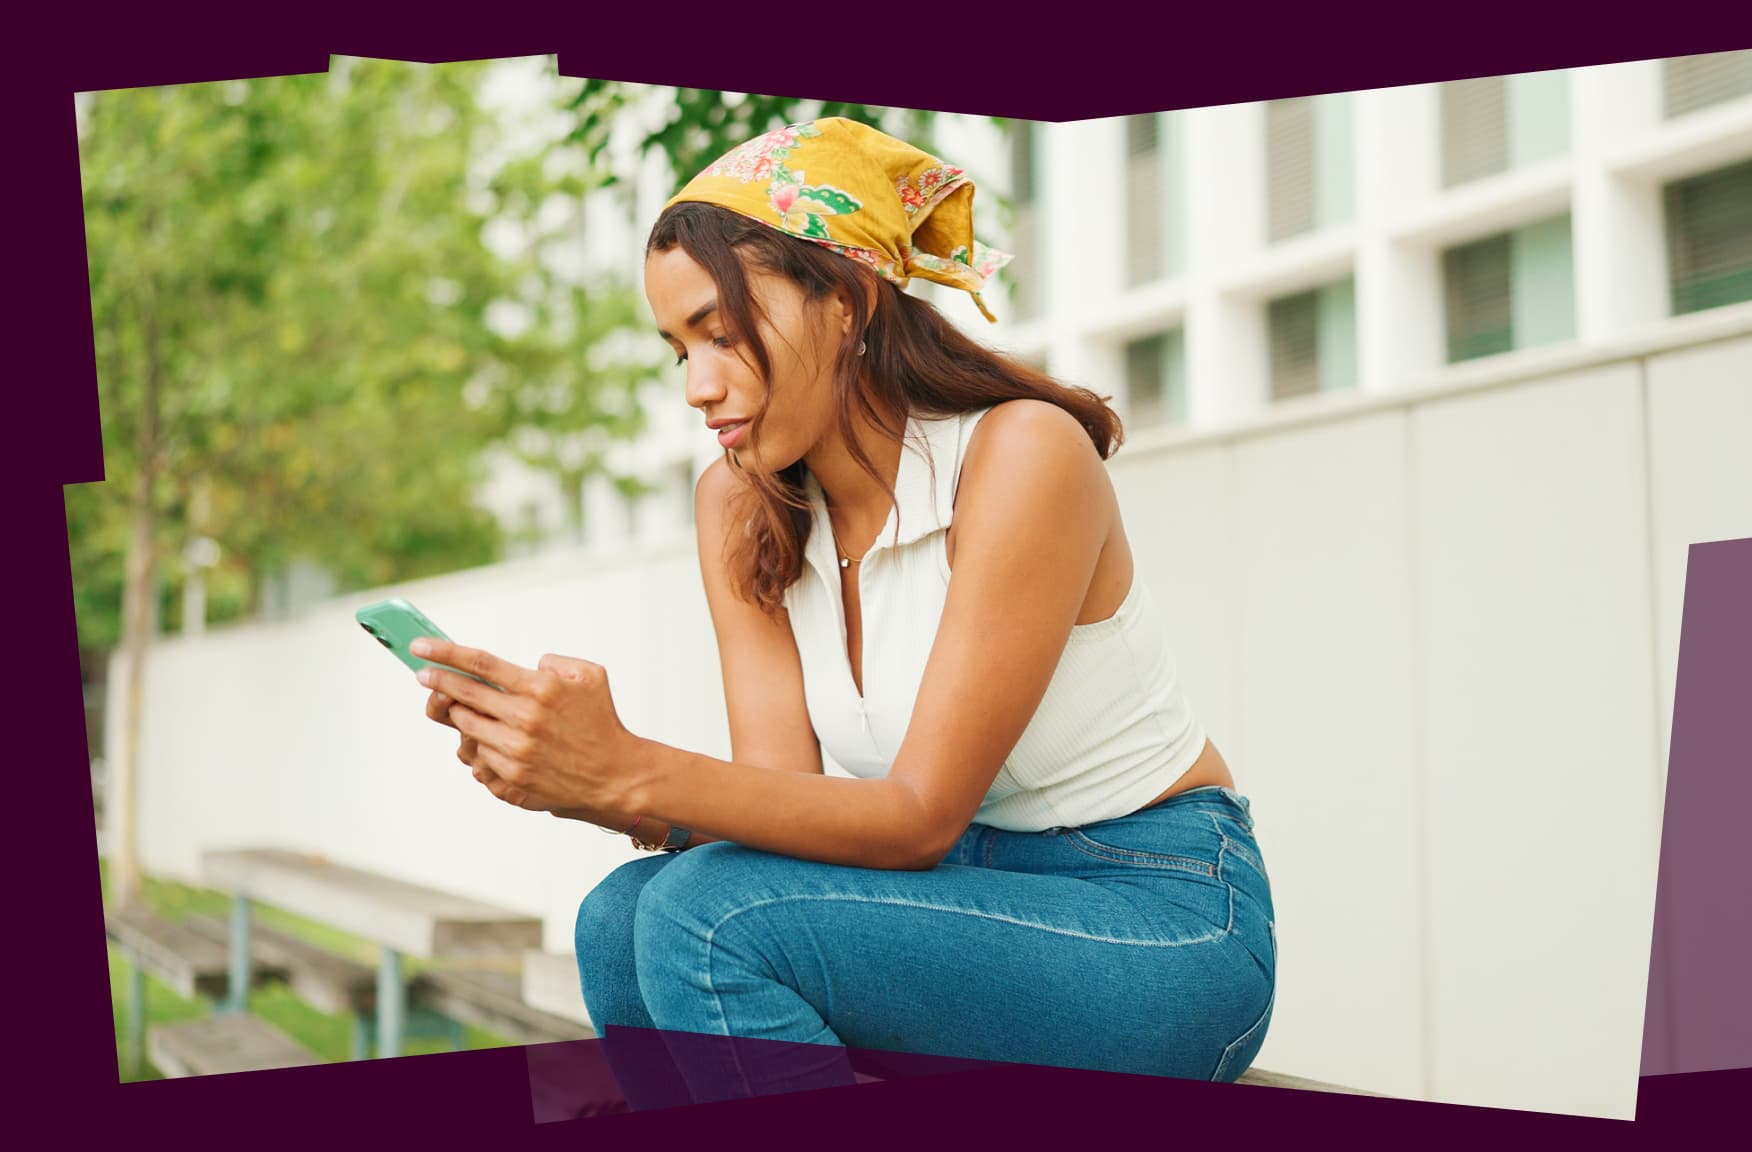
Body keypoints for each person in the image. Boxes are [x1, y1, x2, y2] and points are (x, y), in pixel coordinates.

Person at [411, 117, 1276, 1103]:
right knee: (622, 917)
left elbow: (914, 819)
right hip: (953, 898)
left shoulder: (1022, 455)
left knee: (706, 919)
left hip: (1159, 920)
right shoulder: (741, 504)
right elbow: (778, 803)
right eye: (676, 349)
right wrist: (590, 782)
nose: (698, 387)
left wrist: (628, 767)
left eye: (724, 335)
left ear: (851, 300)